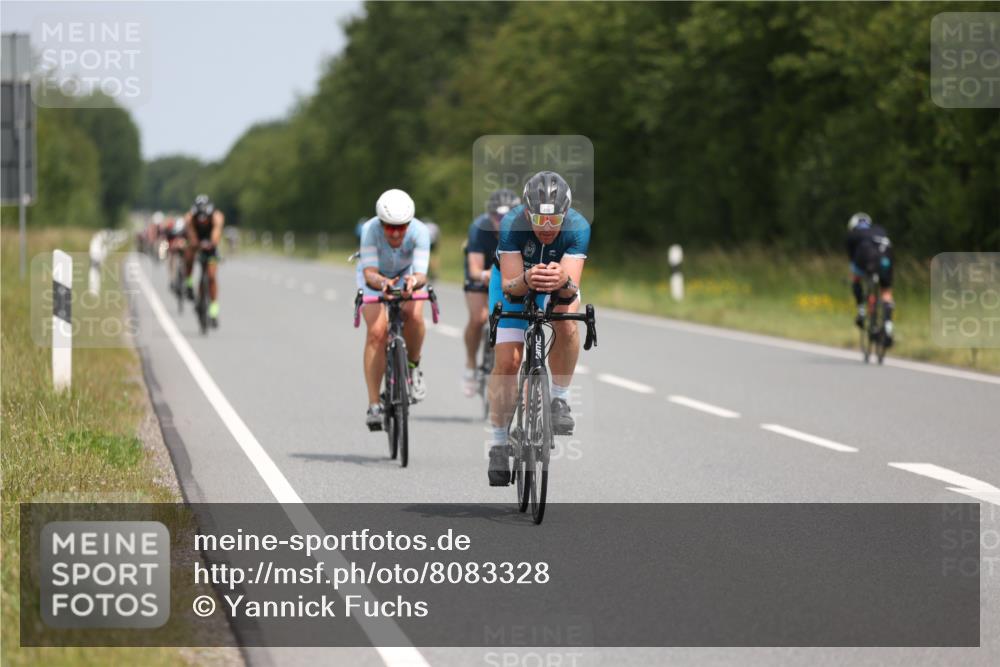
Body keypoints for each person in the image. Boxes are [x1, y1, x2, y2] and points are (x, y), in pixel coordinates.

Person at [487, 172, 590, 486]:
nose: (547, 228)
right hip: (514, 283)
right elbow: (510, 288)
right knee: (507, 361)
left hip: (556, 284)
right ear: (527, 212)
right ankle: (499, 442)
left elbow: (570, 291)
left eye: (555, 219)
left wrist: (563, 282)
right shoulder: (511, 225)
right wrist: (527, 281)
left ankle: (559, 397)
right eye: (539, 220)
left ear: (566, 213)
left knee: (568, 326)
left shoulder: (578, 227)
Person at [358, 189, 432, 430]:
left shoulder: (421, 232)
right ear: (381, 223)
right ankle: (374, 405)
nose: (396, 232)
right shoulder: (370, 231)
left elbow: (421, 273)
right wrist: (383, 284)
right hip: (374, 279)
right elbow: (369, 273)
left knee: (414, 315)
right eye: (389, 227)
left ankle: (413, 367)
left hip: (407, 277)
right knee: (377, 332)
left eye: (402, 227)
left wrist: (413, 283)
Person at [462, 189, 520, 396]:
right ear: (489, 216)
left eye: (507, 216)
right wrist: (486, 275)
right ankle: (470, 366)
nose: (501, 220)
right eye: (497, 216)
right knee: (478, 318)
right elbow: (474, 269)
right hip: (483, 273)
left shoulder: (522, 229)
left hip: (509, 276)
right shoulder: (479, 228)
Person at [846, 212, 895, 345]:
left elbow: (852, 259)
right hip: (886, 255)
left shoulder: (853, 234)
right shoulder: (879, 229)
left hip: (866, 256)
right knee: (886, 290)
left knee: (856, 278)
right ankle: (888, 326)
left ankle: (862, 311)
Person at [184, 194, 225, 327]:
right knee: (189, 257)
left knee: (212, 276)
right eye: (200, 219)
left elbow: (216, 233)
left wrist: (212, 243)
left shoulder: (217, 216)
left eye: (205, 219)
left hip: (210, 242)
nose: (202, 221)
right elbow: (191, 234)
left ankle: (213, 310)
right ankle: (189, 283)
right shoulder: (190, 218)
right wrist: (196, 244)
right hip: (197, 240)